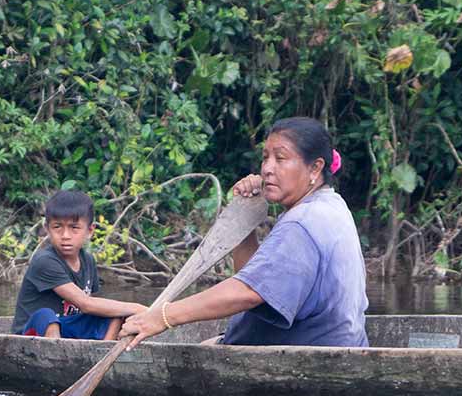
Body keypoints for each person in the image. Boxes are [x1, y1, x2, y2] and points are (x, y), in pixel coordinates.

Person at [120, 117, 368, 348]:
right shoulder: (330, 205)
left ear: (315, 168)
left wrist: (164, 316)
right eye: (266, 158)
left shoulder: (302, 223)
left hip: (309, 353)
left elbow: (249, 292)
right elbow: (255, 279)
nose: (268, 169)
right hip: (331, 347)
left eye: (280, 159)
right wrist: (246, 219)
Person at [12, 190, 146, 339]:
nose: (65, 236)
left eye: (74, 228)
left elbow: (94, 307)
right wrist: (138, 308)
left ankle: (102, 352)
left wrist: (127, 312)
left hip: (68, 327)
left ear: (89, 231)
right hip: (33, 332)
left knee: (115, 314)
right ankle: (55, 355)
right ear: (47, 228)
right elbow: (86, 304)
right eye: (57, 227)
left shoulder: (88, 260)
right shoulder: (45, 261)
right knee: (46, 316)